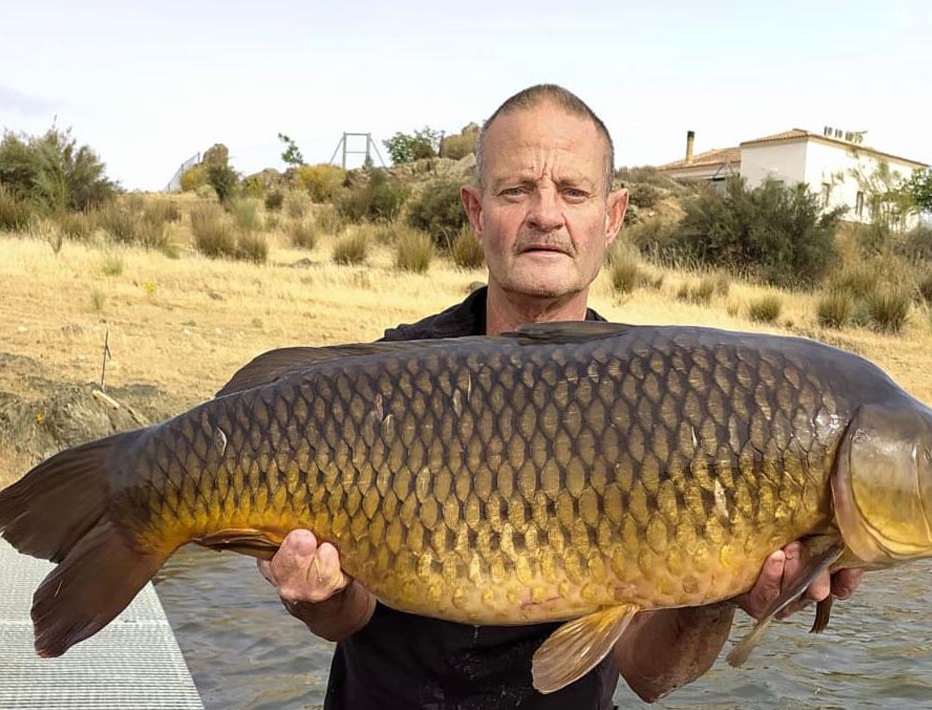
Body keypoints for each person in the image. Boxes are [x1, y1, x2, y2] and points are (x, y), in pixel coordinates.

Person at [256, 84, 865, 709]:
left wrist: (721, 586)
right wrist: (322, 595)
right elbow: (345, 618)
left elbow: (653, 676)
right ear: (475, 210)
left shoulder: (666, 402)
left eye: (573, 193)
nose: (545, 215)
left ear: (612, 216)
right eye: (516, 190)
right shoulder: (387, 384)